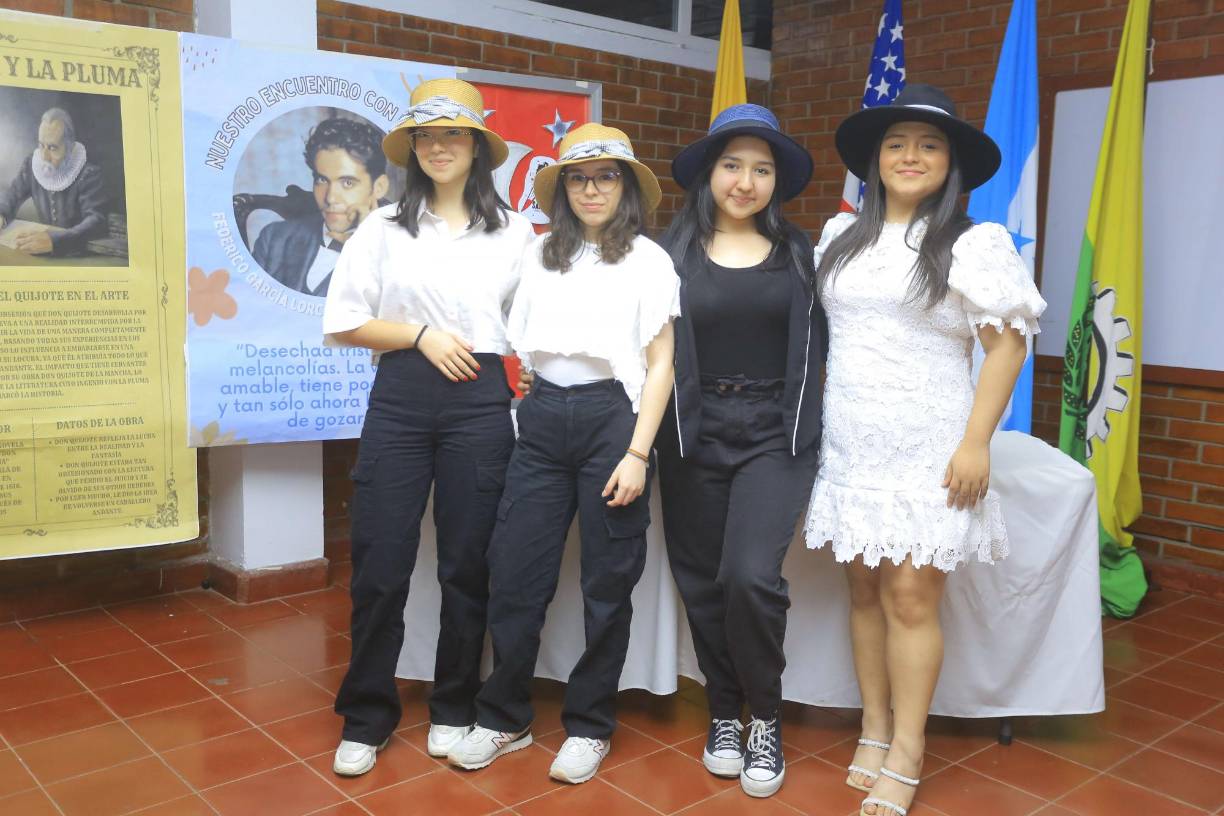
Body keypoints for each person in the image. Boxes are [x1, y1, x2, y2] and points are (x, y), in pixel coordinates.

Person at [804, 84, 1046, 816]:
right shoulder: (838, 237)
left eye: (929, 145)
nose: (911, 156)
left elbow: (1005, 351)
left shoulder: (974, 243)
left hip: (932, 448)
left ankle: (907, 751)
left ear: (951, 164)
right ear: (875, 161)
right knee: (864, 590)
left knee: (912, 595)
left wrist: (977, 443)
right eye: (897, 144)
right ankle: (873, 729)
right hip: (850, 443)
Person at [447, 124, 679, 785]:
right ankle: (505, 716)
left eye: (606, 176)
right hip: (543, 421)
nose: (591, 188)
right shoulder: (538, 254)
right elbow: (505, 331)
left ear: (627, 186)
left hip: (615, 421)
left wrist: (638, 453)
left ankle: (589, 725)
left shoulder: (650, 260)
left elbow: (662, 363)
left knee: (608, 585)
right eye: (578, 177)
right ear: (562, 190)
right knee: (515, 574)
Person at [321, 78, 534, 777]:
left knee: (468, 564)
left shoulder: (513, 230)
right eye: (428, 136)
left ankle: (453, 703)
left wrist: (526, 365)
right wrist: (418, 335)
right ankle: (366, 714)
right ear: (413, 148)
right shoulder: (382, 226)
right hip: (403, 399)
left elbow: (525, 325)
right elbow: (345, 321)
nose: (441, 146)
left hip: (481, 403)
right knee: (380, 562)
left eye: (454, 134)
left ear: (477, 146)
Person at [652, 103, 824, 798]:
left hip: (774, 433)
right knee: (701, 580)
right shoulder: (669, 257)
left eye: (761, 168)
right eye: (732, 165)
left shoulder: (801, 255)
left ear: (776, 182)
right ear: (709, 175)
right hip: (692, 428)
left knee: (751, 576)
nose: (745, 180)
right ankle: (725, 710)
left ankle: (767, 719)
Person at [253, 116, 390, 297]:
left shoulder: (402, 253)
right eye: (321, 180)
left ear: (378, 187)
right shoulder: (274, 238)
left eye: (347, 182)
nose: (330, 198)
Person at [0, 107, 107, 256]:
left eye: (52, 147)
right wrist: (2, 215)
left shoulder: (89, 173)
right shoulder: (32, 164)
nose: (44, 156)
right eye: (41, 145)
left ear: (69, 147)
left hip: (76, 256)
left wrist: (54, 241)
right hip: (39, 251)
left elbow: (97, 222)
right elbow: (12, 195)